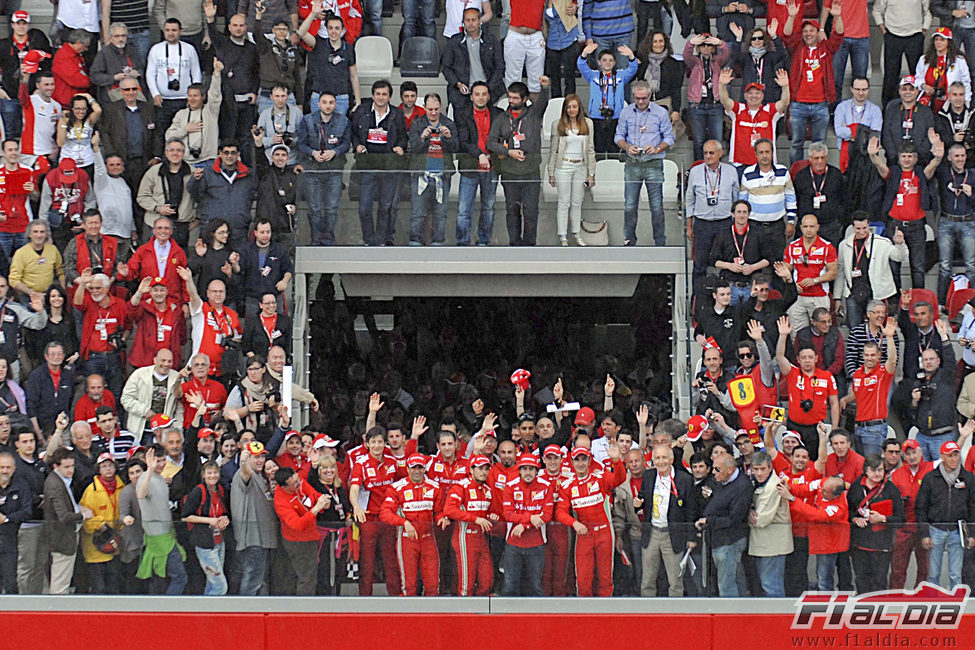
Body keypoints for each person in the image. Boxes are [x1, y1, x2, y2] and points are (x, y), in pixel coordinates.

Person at [868, 135, 944, 290]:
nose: (907, 159)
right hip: (895, 226)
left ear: (916, 159)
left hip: (917, 226)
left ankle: (917, 301)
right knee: (894, 267)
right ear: (899, 158)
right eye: (904, 156)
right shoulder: (894, 173)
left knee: (918, 267)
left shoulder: (920, 174)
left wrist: (937, 158)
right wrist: (873, 155)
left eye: (910, 156)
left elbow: (932, 168)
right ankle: (896, 304)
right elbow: (881, 167)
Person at [555, 444, 625, 597]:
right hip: (584, 534)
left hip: (604, 532)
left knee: (605, 577)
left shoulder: (600, 477)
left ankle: (605, 612)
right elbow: (560, 512)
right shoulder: (567, 485)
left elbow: (619, 479)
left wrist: (616, 461)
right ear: (572, 463)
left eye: (584, 459)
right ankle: (584, 613)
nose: (580, 463)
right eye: (577, 460)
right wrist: (574, 523)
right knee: (583, 578)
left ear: (589, 461)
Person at [488, 77, 551, 246]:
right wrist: (509, 152)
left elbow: (543, 102)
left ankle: (529, 244)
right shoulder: (501, 118)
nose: (512, 101)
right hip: (510, 172)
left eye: (516, 98)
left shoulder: (533, 114)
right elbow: (491, 142)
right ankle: (514, 244)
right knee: (512, 211)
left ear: (525, 99)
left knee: (531, 211)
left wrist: (545, 88)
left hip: (530, 172)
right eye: (510, 97)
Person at [782, 0, 845, 163]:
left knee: (819, 145)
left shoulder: (826, 48)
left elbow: (838, 36)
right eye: (805, 31)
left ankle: (817, 175)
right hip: (798, 105)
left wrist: (837, 17)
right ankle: (796, 175)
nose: (808, 34)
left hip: (820, 105)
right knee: (796, 144)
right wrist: (791, 17)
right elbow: (787, 35)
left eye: (811, 31)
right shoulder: (797, 48)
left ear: (818, 33)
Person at [615, 79, 675, 247]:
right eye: (637, 98)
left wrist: (657, 148)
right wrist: (627, 147)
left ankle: (660, 242)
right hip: (632, 162)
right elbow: (618, 136)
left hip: (653, 162)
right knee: (629, 205)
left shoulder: (660, 113)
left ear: (650, 95)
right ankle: (629, 241)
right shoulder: (626, 112)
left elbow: (669, 137)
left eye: (644, 98)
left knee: (656, 206)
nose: (641, 101)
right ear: (633, 97)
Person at [379, 453, 445, 596]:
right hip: (407, 539)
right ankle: (408, 616)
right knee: (409, 585)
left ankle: (431, 617)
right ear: (407, 469)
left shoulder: (435, 487)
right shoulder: (397, 488)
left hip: (428, 538)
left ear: (425, 469)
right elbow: (384, 513)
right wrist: (404, 522)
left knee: (433, 584)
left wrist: (443, 518)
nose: (417, 471)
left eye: (420, 467)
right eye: (413, 467)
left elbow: (439, 512)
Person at [351, 80, 407, 247]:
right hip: (367, 166)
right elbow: (353, 133)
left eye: (384, 94)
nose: (381, 97)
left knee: (386, 207)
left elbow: (403, 136)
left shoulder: (397, 114)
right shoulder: (362, 111)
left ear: (389, 96)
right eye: (378, 94)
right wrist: (357, 146)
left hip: (389, 166)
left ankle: (381, 241)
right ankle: (369, 240)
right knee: (364, 208)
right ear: (373, 95)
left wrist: (401, 147)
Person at [776, 315, 840, 457]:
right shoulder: (792, 373)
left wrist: (835, 428)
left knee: (812, 463)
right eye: (803, 358)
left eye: (810, 357)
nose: (807, 361)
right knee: (793, 461)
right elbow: (780, 357)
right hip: (794, 427)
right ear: (798, 359)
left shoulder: (826, 376)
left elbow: (834, 403)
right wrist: (783, 336)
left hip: (816, 428)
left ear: (816, 358)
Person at [638, 443, 696, 597]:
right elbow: (642, 500)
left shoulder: (684, 479)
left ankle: (675, 617)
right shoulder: (648, 476)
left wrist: (691, 537)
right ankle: (648, 614)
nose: (661, 461)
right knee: (647, 580)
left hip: (673, 535)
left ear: (671, 459)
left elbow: (691, 511)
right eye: (657, 458)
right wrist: (637, 504)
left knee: (675, 581)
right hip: (652, 533)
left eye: (664, 457)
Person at [915, 440, 975, 588]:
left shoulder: (968, 478)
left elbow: (973, 507)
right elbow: (921, 507)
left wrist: (972, 533)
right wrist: (924, 534)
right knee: (933, 574)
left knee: (955, 574)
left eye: (956, 455)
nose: (954, 459)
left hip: (959, 531)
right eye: (950, 456)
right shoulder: (930, 478)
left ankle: (957, 608)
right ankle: (932, 605)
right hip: (936, 530)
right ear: (942, 457)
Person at [696, 452, 754, 597]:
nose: (713, 473)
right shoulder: (723, 480)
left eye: (717, 469)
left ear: (730, 469)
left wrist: (709, 521)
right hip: (719, 540)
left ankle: (731, 617)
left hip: (729, 542)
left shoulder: (742, 486)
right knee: (736, 579)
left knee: (726, 585)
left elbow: (734, 519)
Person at [206, 10, 260, 166]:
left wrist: (254, 92)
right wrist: (210, 18)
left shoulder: (251, 48)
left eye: (241, 25)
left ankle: (247, 174)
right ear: (229, 27)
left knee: (245, 140)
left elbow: (256, 72)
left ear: (245, 27)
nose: (238, 28)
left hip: (247, 103)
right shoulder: (222, 43)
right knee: (228, 139)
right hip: (228, 102)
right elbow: (213, 33)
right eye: (235, 25)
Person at [778, 475, 850, 590]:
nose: (820, 491)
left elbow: (815, 514)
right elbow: (806, 489)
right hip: (819, 539)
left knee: (824, 579)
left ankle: (827, 604)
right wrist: (790, 487)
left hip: (830, 544)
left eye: (825, 491)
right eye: (822, 487)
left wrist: (792, 499)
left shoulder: (838, 508)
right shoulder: (824, 483)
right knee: (821, 575)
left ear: (836, 495)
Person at [407, 93, 459, 246]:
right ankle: (415, 241)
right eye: (430, 109)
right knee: (418, 213)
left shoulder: (448, 123)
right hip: (421, 174)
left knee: (441, 213)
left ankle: (438, 242)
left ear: (440, 107)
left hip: (442, 175)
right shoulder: (417, 124)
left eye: (436, 109)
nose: (434, 112)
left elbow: (456, 148)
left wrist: (448, 138)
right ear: (424, 108)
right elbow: (414, 148)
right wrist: (422, 137)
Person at [841, 318, 899, 455]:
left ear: (879, 356)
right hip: (858, 428)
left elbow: (892, 360)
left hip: (875, 428)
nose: (869, 358)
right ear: (862, 355)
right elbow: (858, 394)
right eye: (866, 355)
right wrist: (845, 400)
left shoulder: (883, 373)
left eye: (873, 355)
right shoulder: (857, 374)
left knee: (873, 469)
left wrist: (889, 337)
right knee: (863, 469)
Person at [454, 81, 502, 246]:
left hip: (492, 167)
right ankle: (463, 243)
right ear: (471, 96)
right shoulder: (462, 114)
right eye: (477, 94)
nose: (481, 98)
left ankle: (484, 242)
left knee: (488, 208)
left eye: (484, 94)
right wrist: (480, 154)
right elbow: (463, 142)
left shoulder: (498, 114)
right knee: (463, 210)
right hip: (470, 166)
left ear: (489, 96)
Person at [836, 216, 907, 328]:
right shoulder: (844, 245)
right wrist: (837, 298)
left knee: (878, 328)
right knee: (855, 329)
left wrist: (900, 244)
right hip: (853, 291)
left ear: (869, 225)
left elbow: (900, 257)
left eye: (864, 228)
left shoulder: (882, 242)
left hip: (876, 292)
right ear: (853, 227)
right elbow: (840, 272)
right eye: (858, 228)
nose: (862, 231)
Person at [145, 19, 203, 152]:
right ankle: (159, 158)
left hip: (184, 100)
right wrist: (155, 94)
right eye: (168, 30)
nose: (171, 33)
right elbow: (150, 74)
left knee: (186, 130)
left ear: (180, 32)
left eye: (174, 30)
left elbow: (196, 73)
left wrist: (193, 97)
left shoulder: (189, 49)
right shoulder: (156, 49)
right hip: (163, 101)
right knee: (161, 132)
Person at [501, 451, 553, 596]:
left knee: (535, 587)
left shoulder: (546, 486)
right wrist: (530, 519)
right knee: (510, 586)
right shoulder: (510, 486)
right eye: (524, 469)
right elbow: (508, 514)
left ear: (537, 470)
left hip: (536, 544)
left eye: (531, 469)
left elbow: (547, 515)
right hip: (513, 544)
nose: (528, 472)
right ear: (519, 471)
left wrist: (524, 524)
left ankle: (537, 618)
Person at [546, 94, 596, 246]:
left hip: (580, 166)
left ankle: (576, 233)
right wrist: (551, 172)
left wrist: (591, 173)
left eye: (574, 106)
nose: (572, 110)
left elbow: (590, 149)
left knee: (577, 202)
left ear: (579, 107)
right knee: (563, 201)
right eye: (569, 107)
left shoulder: (588, 123)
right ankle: (563, 236)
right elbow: (553, 150)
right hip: (563, 166)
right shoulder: (558, 124)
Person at [187, 140, 257, 246]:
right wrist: (195, 180)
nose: (229, 156)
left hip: (238, 230)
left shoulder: (248, 175)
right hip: (212, 230)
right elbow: (195, 194)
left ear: (238, 154)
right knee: (211, 262)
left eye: (233, 153)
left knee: (237, 262)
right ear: (220, 153)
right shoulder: (207, 173)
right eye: (226, 152)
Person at [73, 269, 130, 399]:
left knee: (116, 393)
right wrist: (82, 284)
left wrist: (122, 340)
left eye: (98, 288)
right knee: (93, 394)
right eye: (92, 288)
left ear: (107, 288)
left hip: (114, 356)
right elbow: (77, 304)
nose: (94, 291)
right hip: (93, 357)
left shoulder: (119, 304)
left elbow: (128, 326)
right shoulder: (89, 301)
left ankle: (116, 419)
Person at [43, 446, 93, 594]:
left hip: (65, 536)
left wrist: (78, 508)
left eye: (72, 466)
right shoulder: (55, 485)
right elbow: (63, 516)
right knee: (60, 583)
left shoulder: (62, 480)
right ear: (55, 466)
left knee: (62, 579)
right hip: (62, 538)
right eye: (66, 467)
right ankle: (56, 614)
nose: (71, 470)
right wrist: (84, 515)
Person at [717, 67, 790, 166]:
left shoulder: (770, 110)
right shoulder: (738, 109)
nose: (754, 96)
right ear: (745, 96)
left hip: (764, 164)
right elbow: (725, 100)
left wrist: (785, 87)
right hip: (740, 163)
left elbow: (784, 103)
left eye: (757, 93)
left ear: (762, 96)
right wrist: (722, 85)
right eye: (750, 93)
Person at [231, 442, 278, 595]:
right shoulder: (245, 473)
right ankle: (245, 615)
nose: (260, 460)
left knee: (259, 581)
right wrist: (243, 463)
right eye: (256, 457)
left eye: (262, 456)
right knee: (251, 581)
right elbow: (245, 472)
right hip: (252, 540)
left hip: (261, 539)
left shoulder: (260, 476)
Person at [908, 320, 958, 461]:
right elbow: (911, 412)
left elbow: (950, 360)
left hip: (943, 436)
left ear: (938, 361)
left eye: (932, 359)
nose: (928, 362)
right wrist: (914, 401)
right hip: (922, 436)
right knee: (922, 475)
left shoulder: (946, 376)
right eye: (925, 360)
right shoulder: (918, 380)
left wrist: (944, 336)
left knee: (944, 475)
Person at [577, 41, 638, 155]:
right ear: (599, 62)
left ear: (614, 62)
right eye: (604, 60)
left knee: (613, 150)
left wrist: (631, 56)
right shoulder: (593, 76)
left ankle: (613, 171)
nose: (607, 63)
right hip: (597, 117)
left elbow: (633, 69)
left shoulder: (620, 76)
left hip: (616, 118)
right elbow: (581, 66)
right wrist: (584, 54)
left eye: (610, 60)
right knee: (598, 150)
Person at [709, 201, 775, 305]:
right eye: (739, 212)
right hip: (730, 286)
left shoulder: (759, 233)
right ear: (733, 214)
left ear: (749, 214)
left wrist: (753, 267)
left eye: (745, 212)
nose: (741, 215)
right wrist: (729, 266)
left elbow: (769, 259)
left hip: (752, 285)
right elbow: (713, 261)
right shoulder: (723, 233)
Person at [889, 438, 934, 589]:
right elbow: (891, 502)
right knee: (898, 569)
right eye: (908, 454)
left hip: (924, 528)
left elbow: (949, 455)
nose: (912, 456)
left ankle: (922, 599)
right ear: (903, 457)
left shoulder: (931, 469)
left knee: (925, 569)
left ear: (921, 452)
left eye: (914, 452)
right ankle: (895, 601)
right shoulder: (896, 475)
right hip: (904, 528)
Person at [739, 138, 797, 255]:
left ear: (772, 153)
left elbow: (791, 198)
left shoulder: (783, 171)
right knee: (753, 260)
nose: (764, 156)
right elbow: (742, 202)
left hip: (777, 226)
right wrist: (742, 224)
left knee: (778, 263)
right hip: (754, 226)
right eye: (761, 152)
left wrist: (791, 222)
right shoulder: (747, 173)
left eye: (767, 152)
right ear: (756, 154)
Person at [442, 7, 506, 113]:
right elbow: (446, 68)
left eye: (474, 20)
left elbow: (500, 66)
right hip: (462, 92)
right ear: (463, 22)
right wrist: (458, 84)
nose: (471, 23)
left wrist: (488, 88)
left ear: (480, 21)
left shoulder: (491, 40)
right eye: (467, 20)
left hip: (489, 90)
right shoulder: (454, 41)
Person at [298, 7, 359, 116]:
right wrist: (313, 13)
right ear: (326, 29)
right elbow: (301, 33)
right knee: (317, 131)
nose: (333, 31)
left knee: (339, 131)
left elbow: (354, 76)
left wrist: (358, 101)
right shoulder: (318, 44)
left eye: (337, 28)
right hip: (319, 97)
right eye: (330, 28)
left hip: (341, 98)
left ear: (342, 30)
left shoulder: (349, 49)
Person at [935, 142, 975, 304]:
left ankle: (972, 303)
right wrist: (937, 156)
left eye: (962, 156)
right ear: (949, 157)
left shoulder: (972, 175)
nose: (960, 159)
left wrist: (972, 194)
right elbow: (927, 173)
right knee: (945, 265)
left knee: (971, 265)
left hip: (968, 222)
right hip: (947, 221)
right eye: (956, 156)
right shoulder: (943, 172)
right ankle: (941, 303)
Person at [0, 11, 52, 136]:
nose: (21, 26)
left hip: (33, 94)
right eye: (18, 23)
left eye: (24, 23)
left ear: (28, 25)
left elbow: (47, 66)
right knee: (10, 131)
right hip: (10, 94)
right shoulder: (3, 45)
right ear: (12, 25)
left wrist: (40, 88)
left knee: (33, 131)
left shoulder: (37, 43)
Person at [782, 215, 838, 330]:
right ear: (801, 228)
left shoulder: (827, 247)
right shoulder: (792, 247)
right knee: (796, 334)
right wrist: (792, 285)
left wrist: (815, 280)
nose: (808, 229)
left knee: (821, 331)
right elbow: (784, 272)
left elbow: (833, 272)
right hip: (797, 297)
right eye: (805, 226)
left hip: (819, 296)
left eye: (812, 226)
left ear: (817, 227)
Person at [79, 451, 124, 593]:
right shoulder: (90, 491)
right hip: (95, 547)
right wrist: (101, 524)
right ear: (98, 469)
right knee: (99, 587)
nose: (108, 469)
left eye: (110, 465)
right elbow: (85, 520)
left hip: (116, 547)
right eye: (104, 466)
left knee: (114, 585)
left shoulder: (122, 489)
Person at [164, 61, 224, 167]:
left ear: (203, 97)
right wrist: (185, 130)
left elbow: (215, 94)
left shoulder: (210, 111)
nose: (192, 99)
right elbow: (168, 136)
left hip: (208, 161)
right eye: (190, 96)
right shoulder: (180, 114)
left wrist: (216, 73)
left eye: (196, 96)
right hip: (186, 163)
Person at [682, 33, 730, 162]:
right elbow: (686, 55)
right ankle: (698, 168)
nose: (706, 48)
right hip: (697, 105)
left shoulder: (717, 61)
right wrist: (691, 42)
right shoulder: (694, 62)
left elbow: (726, 53)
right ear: (699, 47)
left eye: (709, 45)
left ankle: (717, 168)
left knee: (717, 140)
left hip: (715, 105)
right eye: (703, 45)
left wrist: (719, 43)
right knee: (698, 141)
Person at [121, 348, 182, 444]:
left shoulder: (178, 378)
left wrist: (177, 428)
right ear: (155, 360)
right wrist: (144, 411)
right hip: (141, 430)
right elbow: (126, 399)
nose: (166, 364)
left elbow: (180, 407)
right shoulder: (139, 374)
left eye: (169, 361)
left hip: (165, 433)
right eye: (163, 360)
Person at [128, 276, 187, 370]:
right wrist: (139, 292)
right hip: (145, 361)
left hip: (168, 363)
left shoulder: (176, 311)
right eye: (155, 290)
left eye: (162, 290)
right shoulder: (143, 307)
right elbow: (131, 310)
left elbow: (182, 337)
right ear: (150, 292)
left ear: (167, 291)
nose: (159, 293)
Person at [237, 218, 292, 317]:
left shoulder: (279, 249)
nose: (266, 235)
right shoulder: (246, 250)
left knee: (276, 328)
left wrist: (284, 281)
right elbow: (239, 270)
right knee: (252, 329)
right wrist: (234, 264)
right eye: (262, 232)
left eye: (268, 232)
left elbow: (288, 269)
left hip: (274, 298)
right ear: (255, 233)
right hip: (253, 298)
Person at [882, 76, 937, 166]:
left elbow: (929, 137)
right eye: (904, 89)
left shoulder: (926, 111)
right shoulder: (891, 110)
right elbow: (886, 136)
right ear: (899, 91)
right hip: (894, 163)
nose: (907, 92)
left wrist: (916, 157)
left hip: (919, 163)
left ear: (917, 91)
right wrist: (897, 157)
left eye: (911, 89)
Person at [24, 342, 75, 439]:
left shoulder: (68, 375)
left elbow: (71, 400)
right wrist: (38, 433)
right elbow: (31, 405)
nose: (56, 357)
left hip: (64, 426)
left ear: (64, 356)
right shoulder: (36, 376)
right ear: (46, 356)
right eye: (52, 354)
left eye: (59, 354)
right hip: (44, 428)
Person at [915, 27, 971, 113]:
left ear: (949, 42)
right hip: (929, 100)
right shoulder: (924, 59)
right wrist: (924, 86)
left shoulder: (959, 60)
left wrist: (966, 102)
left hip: (950, 101)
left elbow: (966, 82)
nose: (938, 42)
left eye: (942, 40)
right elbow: (917, 78)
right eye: (936, 40)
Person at [834, 77, 884, 172]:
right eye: (857, 89)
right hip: (846, 154)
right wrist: (863, 132)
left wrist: (850, 131)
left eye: (864, 89)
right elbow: (839, 131)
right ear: (851, 89)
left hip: (866, 155)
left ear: (868, 90)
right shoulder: (841, 107)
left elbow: (874, 135)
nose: (861, 93)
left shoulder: (875, 110)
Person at [0, 139, 40, 256]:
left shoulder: (28, 171)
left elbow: (36, 199)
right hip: (3, 227)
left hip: (24, 226)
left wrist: (33, 190)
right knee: (2, 266)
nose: (14, 153)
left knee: (26, 264)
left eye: (16, 150)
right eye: (10, 150)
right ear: (3, 152)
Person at [89, 23, 145, 105]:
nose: (121, 39)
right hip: (114, 93)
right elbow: (94, 76)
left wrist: (137, 73)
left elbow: (142, 70)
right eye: (117, 36)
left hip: (134, 92)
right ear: (111, 38)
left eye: (123, 36)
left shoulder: (132, 51)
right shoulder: (103, 53)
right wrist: (114, 77)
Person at [18, 68, 61, 168]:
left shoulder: (57, 106)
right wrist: (25, 79)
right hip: (31, 153)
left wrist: (57, 147)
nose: (50, 88)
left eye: (52, 84)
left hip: (49, 153)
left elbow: (58, 132)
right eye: (46, 85)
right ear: (38, 86)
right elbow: (22, 96)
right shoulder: (31, 101)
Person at [51, 31, 92, 108]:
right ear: (78, 43)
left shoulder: (75, 55)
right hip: (65, 102)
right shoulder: (64, 56)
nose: (86, 49)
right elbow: (76, 80)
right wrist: (91, 81)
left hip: (74, 100)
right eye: (86, 46)